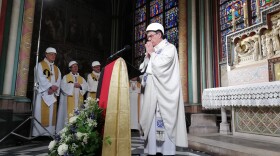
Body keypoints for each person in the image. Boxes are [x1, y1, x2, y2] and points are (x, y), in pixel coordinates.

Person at [139, 23, 188, 155]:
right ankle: (152, 151)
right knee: (151, 123)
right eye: (147, 37)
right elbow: (143, 69)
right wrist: (148, 56)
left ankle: (166, 152)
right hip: (151, 95)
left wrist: (151, 53)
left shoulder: (169, 48)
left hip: (163, 96)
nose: (148, 40)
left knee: (163, 123)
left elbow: (161, 67)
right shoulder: (152, 51)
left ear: (159, 34)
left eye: (151, 36)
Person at [32, 47, 61, 136]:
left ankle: (50, 132)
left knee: (51, 114)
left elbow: (59, 79)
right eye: (51, 54)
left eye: (54, 54)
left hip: (52, 94)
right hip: (43, 93)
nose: (53, 56)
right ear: (46, 55)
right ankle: (39, 133)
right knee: (40, 113)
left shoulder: (57, 68)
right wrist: (49, 87)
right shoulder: (40, 65)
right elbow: (40, 77)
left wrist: (54, 88)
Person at [56, 61, 88, 132]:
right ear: (70, 68)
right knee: (68, 116)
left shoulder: (81, 78)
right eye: (73, 66)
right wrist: (73, 85)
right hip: (68, 101)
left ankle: (77, 132)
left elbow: (86, 86)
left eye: (76, 66)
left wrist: (80, 85)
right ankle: (66, 132)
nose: (76, 67)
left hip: (78, 101)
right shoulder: (66, 77)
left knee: (78, 115)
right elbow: (63, 87)